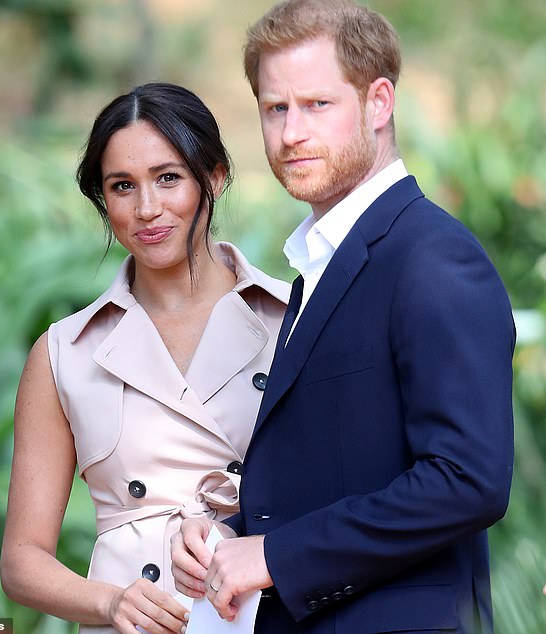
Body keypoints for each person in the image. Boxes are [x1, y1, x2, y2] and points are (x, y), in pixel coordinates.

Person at [170, 2, 515, 633]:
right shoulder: (319, 267)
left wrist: (273, 555)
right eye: (275, 109)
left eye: (317, 105)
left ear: (379, 102)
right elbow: (334, 470)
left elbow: (469, 480)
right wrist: (227, 534)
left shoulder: (433, 258)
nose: (291, 133)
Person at [0, 82, 289, 634]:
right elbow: (21, 560)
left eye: (168, 178)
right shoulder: (65, 353)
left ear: (215, 176)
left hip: (267, 613)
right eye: (122, 186)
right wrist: (109, 603)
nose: (147, 208)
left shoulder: (293, 319)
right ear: (102, 200)